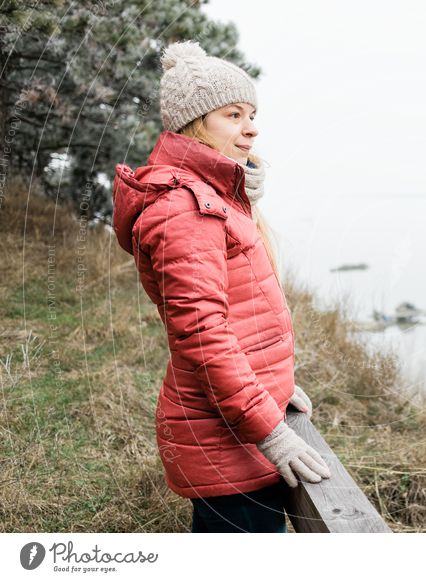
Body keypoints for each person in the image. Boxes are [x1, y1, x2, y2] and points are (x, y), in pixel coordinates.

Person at [111, 40, 331, 533]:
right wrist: (271, 432)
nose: (251, 127)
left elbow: (240, 316)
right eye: (233, 115)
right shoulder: (184, 209)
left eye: (252, 114)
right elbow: (205, 339)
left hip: (237, 426)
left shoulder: (213, 198)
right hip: (228, 444)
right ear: (194, 123)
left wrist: (273, 383)